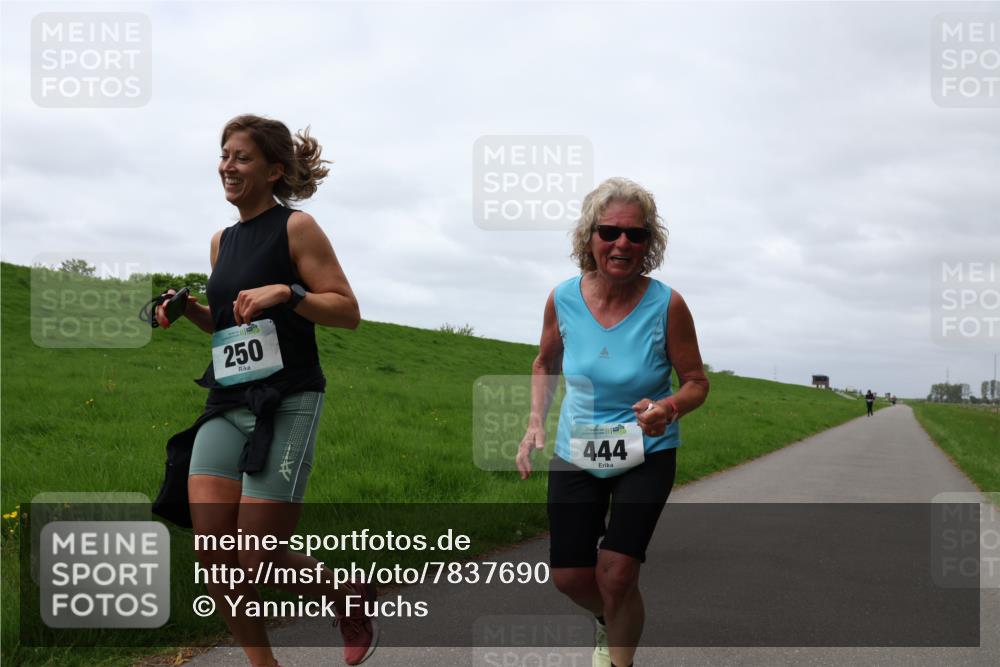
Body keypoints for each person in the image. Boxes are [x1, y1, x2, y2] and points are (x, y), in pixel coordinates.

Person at [158, 114, 376, 667]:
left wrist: (289, 291)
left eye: (242, 157)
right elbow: (231, 327)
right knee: (214, 556)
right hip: (226, 402)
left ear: (274, 170)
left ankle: (342, 594)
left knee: (256, 555)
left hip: (289, 400)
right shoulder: (221, 242)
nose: (228, 166)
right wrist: (191, 313)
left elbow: (347, 313)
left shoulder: (296, 228)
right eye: (225, 155)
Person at [516, 177, 710, 667]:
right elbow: (545, 362)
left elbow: (695, 381)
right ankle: (612, 618)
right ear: (590, 238)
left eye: (636, 235)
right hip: (577, 447)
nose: (622, 242)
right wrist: (535, 421)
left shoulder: (668, 305)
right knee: (570, 577)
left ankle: (619, 655)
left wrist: (670, 407)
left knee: (618, 572)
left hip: (648, 451)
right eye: (610, 231)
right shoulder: (562, 298)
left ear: (649, 244)